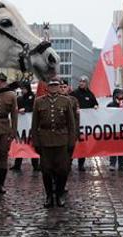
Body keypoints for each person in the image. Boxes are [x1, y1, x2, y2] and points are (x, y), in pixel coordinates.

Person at [32, 78, 78, 208]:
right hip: (45, 141)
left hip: (61, 140)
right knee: (46, 170)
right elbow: (34, 124)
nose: (53, 87)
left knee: (62, 170)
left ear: (59, 87)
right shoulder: (39, 102)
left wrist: (71, 142)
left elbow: (71, 124)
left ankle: (59, 195)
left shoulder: (66, 101)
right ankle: (48, 196)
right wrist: (36, 142)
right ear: (47, 87)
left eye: (56, 85)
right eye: (51, 85)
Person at [13, 81, 37, 171]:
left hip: (30, 125)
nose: (23, 90)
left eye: (24, 88)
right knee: (20, 145)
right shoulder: (19, 98)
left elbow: (34, 107)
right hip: (22, 126)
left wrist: (26, 109)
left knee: (31, 144)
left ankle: (35, 165)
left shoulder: (33, 97)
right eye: (22, 88)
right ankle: (17, 165)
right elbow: (17, 107)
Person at [107, 88, 123, 170]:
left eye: (121, 94)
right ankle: (112, 163)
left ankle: (121, 164)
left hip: (121, 129)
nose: (120, 96)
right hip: (113, 129)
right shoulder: (110, 105)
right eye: (119, 94)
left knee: (121, 147)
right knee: (113, 147)